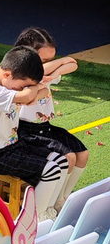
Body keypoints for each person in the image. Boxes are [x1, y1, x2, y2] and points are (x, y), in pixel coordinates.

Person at [0, 46, 68, 220]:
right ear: (7, 74)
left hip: (14, 146)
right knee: (51, 170)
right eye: (23, 86)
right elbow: (29, 97)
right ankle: (35, 218)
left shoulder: (10, 86)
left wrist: (31, 91)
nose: (23, 89)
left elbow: (42, 92)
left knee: (61, 161)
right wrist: (33, 90)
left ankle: (48, 210)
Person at [13, 27, 86, 212]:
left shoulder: (44, 74)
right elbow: (46, 69)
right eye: (44, 60)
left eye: (51, 59)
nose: (49, 64)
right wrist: (54, 66)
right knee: (69, 157)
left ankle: (63, 197)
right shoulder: (21, 74)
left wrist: (53, 73)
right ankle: (52, 203)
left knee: (82, 154)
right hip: (26, 130)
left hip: (45, 127)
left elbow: (73, 63)